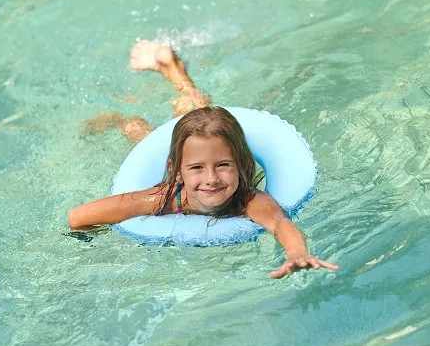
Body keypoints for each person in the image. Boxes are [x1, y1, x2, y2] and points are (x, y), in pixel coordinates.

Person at [69, 40, 338, 278]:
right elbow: (79, 217)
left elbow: (280, 224)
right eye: (197, 168)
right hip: (177, 158)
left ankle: (172, 67)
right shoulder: (164, 198)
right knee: (146, 130)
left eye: (223, 166)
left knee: (203, 123)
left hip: (201, 150)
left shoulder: (249, 200)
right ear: (176, 171)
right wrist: (110, 236)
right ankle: (145, 96)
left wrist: (297, 253)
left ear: (241, 164)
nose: (211, 179)